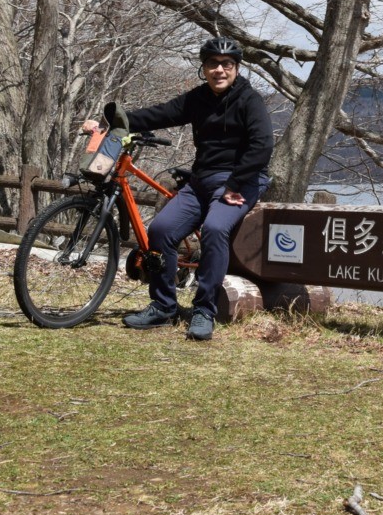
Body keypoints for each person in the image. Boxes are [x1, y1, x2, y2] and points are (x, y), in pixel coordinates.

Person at [82, 36, 273, 340]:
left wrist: (235, 183)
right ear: (204, 68)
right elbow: (160, 114)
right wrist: (112, 121)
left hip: (242, 180)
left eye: (227, 64)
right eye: (213, 64)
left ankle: (204, 310)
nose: (219, 70)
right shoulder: (198, 98)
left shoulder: (250, 100)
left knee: (214, 229)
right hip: (202, 180)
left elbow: (262, 147)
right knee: (160, 230)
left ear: (236, 68)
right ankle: (163, 307)